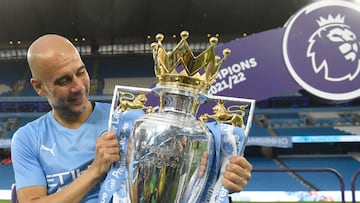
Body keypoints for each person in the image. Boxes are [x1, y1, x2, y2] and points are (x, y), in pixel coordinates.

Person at [11, 34, 252, 203]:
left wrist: (218, 174)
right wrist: (95, 171)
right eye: (64, 80)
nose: (78, 87)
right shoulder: (28, 138)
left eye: (81, 72)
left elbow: (168, 183)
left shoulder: (129, 120)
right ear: (39, 87)